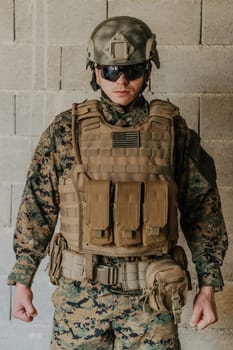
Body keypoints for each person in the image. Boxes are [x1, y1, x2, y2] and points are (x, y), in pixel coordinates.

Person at [8, 16, 228, 350]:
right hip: (80, 295)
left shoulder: (173, 132)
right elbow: (37, 208)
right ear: (94, 71)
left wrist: (208, 285)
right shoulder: (65, 131)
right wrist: (22, 279)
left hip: (151, 298)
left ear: (149, 69)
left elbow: (203, 211)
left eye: (133, 69)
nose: (121, 80)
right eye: (110, 71)